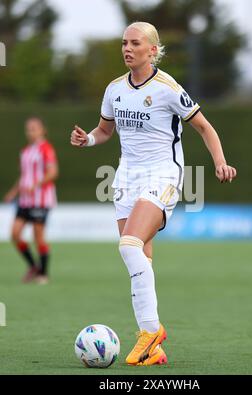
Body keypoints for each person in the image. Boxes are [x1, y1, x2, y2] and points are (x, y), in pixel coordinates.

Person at [70, 21, 237, 366]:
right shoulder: (114, 88)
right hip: (126, 178)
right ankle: (153, 348)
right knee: (140, 259)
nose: (127, 48)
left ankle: (151, 331)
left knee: (128, 244)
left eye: (135, 43)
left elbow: (204, 127)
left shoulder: (167, 88)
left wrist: (220, 162)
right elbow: (104, 130)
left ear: (152, 50)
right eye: (124, 43)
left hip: (162, 174)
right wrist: (87, 139)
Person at [4, 117, 58, 285]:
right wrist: (13, 192)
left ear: (43, 130)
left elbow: (53, 172)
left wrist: (37, 184)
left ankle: (43, 273)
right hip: (25, 201)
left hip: (41, 201)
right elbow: (24, 176)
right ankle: (33, 266)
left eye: (34, 128)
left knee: (38, 237)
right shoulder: (26, 151)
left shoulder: (46, 149)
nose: (30, 132)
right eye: (28, 129)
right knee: (14, 234)